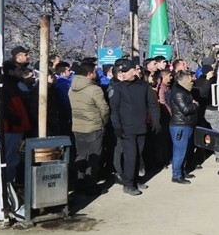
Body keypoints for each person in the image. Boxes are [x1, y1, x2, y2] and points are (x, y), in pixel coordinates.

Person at [108, 59, 160, 196]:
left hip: (141, 127)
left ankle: (135, 180)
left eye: (125, 71)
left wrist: (156, 121)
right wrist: (117, 127)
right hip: (126, 129)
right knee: (131, 156)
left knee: (138, 155)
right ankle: (128, 184)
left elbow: (153, 105)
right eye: (121, 72)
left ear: (134, 71)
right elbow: (114, 110)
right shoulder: (118, 88)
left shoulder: (144, 86)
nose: (123, 74)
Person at [69, 62, 110, 196]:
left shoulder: (72, 88)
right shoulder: (94, 89)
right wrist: (104, 122)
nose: (96, 74)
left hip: (77, 126)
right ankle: (91, 186)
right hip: (93, 127)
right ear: (89, 74)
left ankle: (79, 183)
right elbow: (104, 109)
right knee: (94, 157)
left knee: (81, 156)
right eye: (95, 71)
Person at [0, 60, 31, 186]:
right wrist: (15, 119)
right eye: (18, 70)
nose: (21, 72)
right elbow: (4, 107)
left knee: (14, 158)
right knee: (10, 158)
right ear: (11, 71)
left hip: (18, 126)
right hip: (11, 128)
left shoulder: (15, 84)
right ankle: (7, 187)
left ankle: (11, 185)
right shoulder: (6, 84)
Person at [168, 70, 199, 184]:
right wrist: (195, 105)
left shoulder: (185, 91)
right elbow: (185, 109)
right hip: (180, 126)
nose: (192, 80)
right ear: (184, 80)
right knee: (179, 151)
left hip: (186, 124)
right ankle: (176, 175)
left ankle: (182, 171)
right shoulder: (179, 93)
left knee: (184, 151)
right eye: (190, 78)